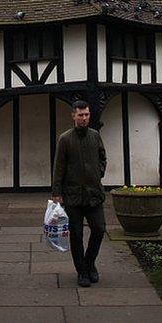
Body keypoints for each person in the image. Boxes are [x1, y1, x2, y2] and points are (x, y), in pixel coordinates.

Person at [51, 100, 107, 288]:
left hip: (94, 194)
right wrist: (57, 193)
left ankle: (89, 262)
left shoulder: (95, 135)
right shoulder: (65, 139)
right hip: (73, 195)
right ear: (73, 116)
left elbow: (102, 157)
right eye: (81, 115)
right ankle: (82, 271)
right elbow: (58, 167)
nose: (84, 118)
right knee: (76, 234)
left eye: (87, 114)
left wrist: (99, 172)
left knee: (99, 229)